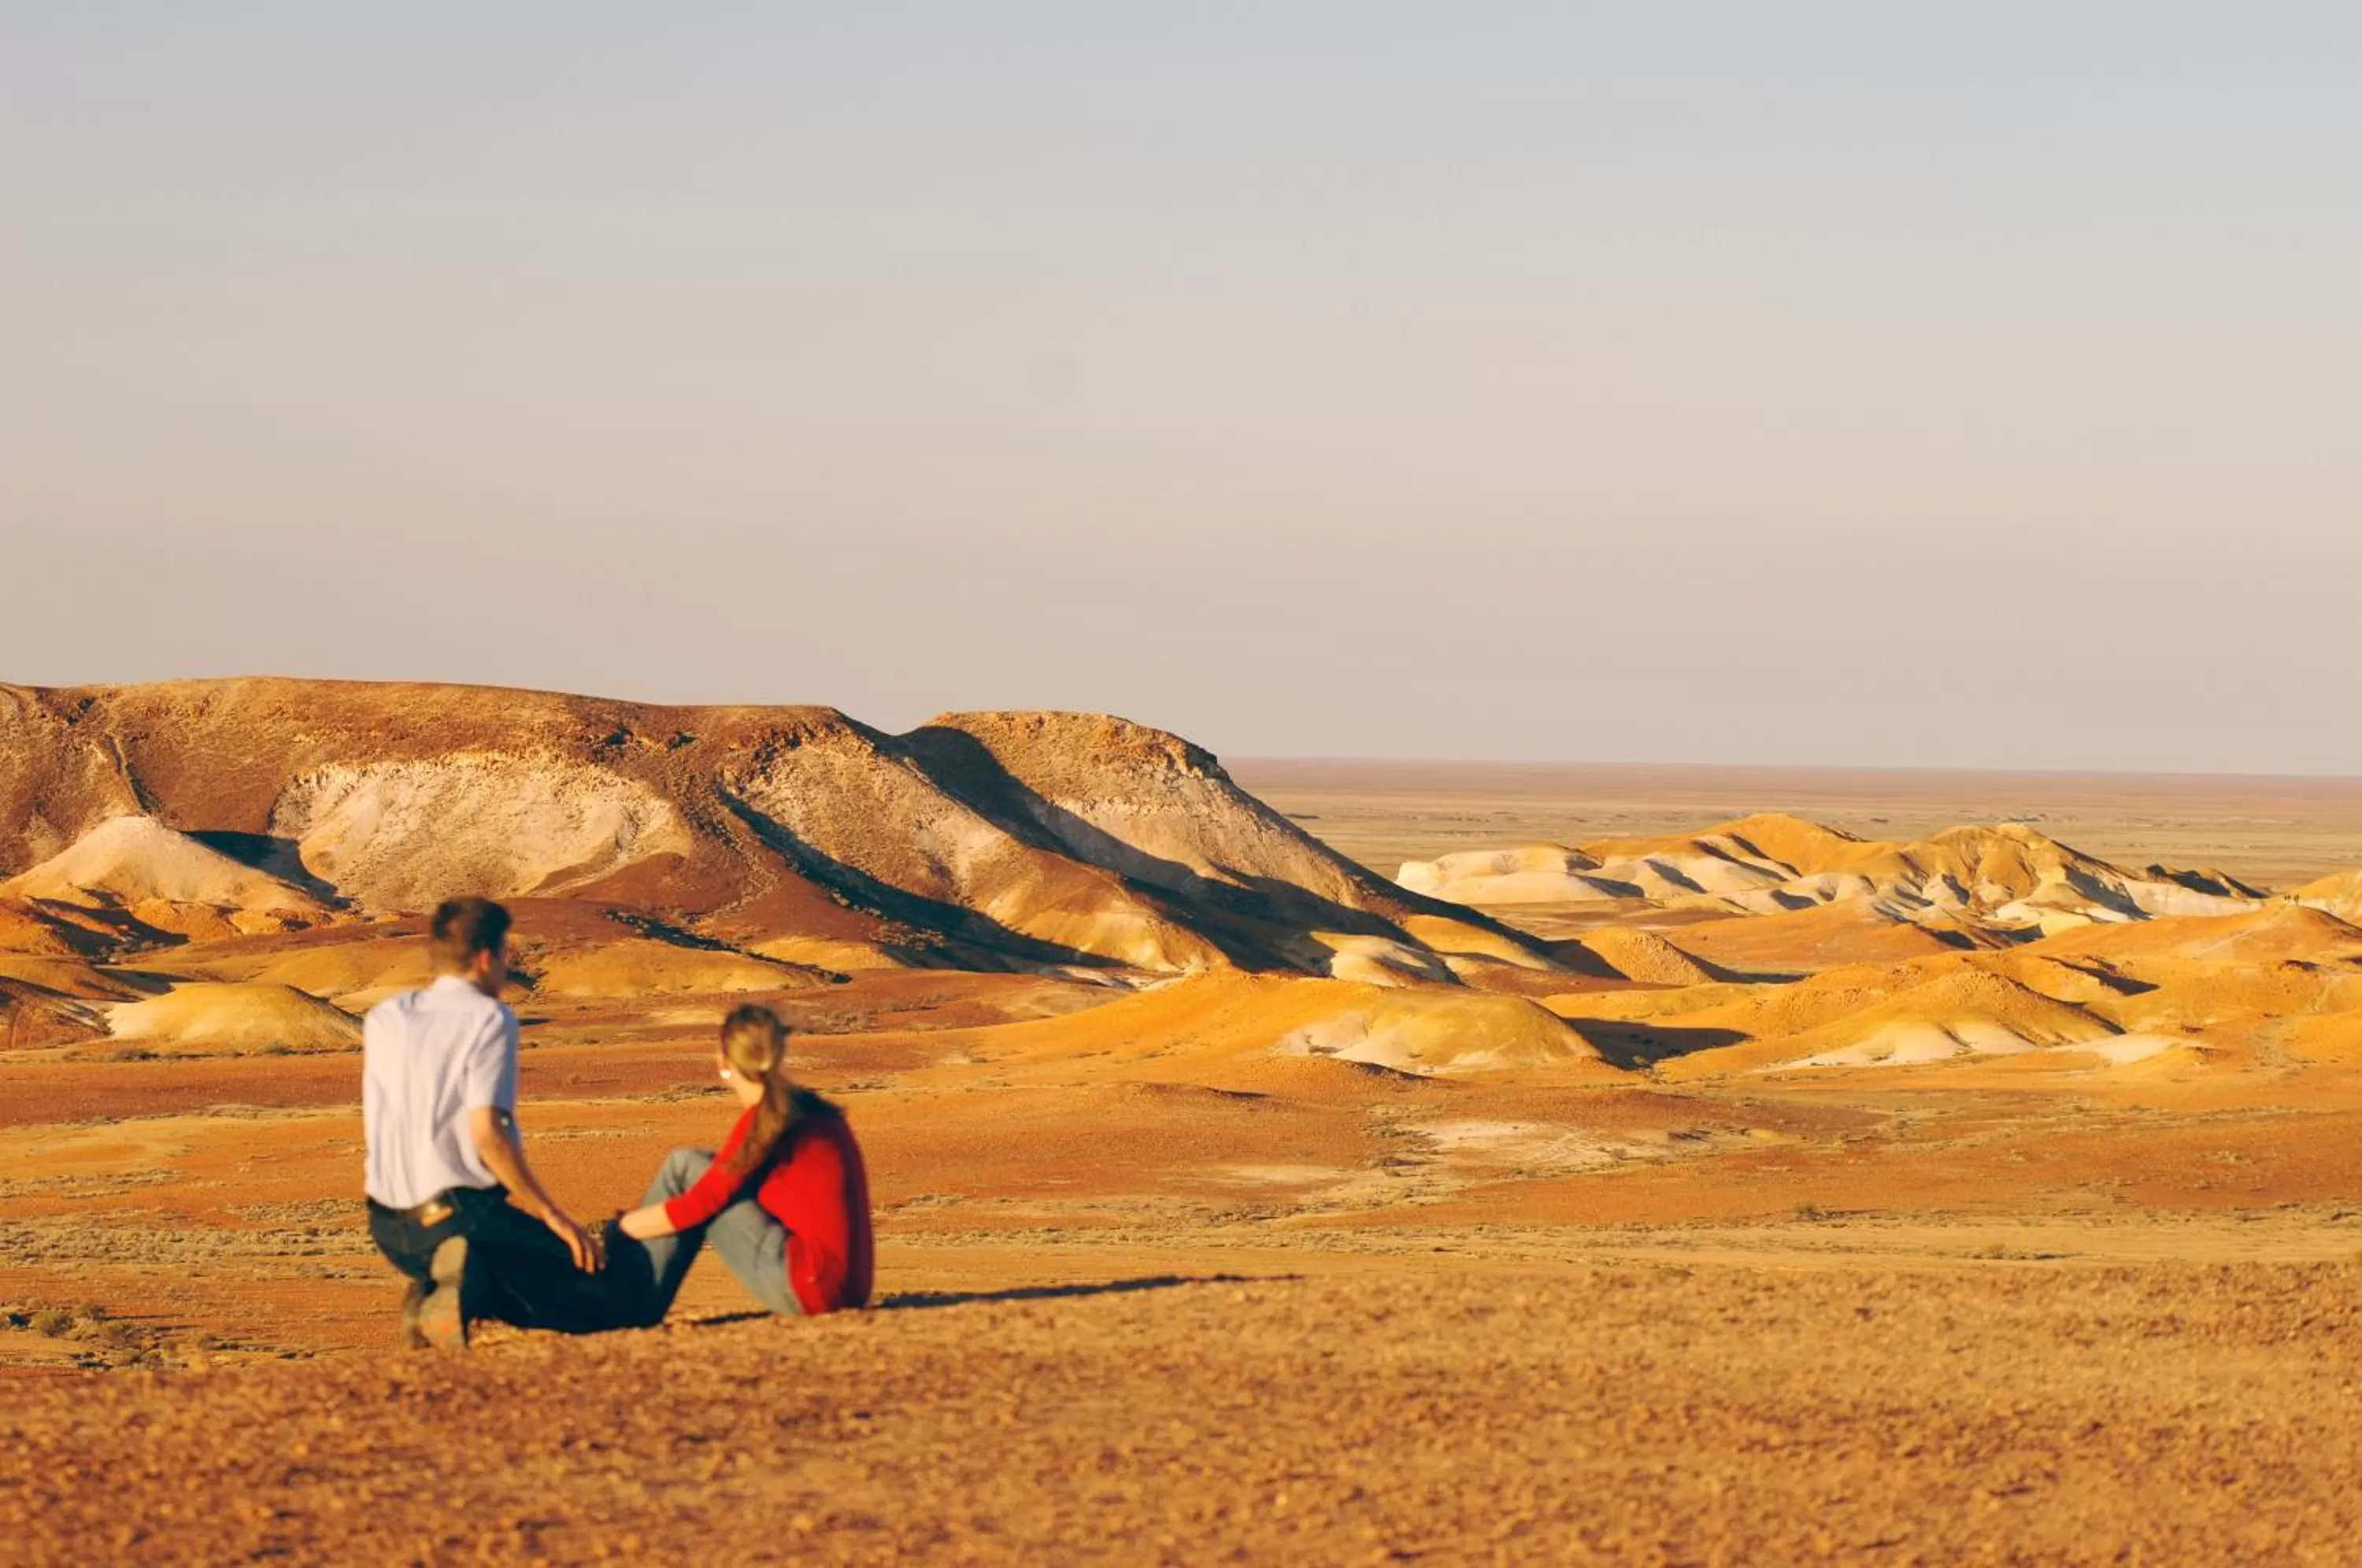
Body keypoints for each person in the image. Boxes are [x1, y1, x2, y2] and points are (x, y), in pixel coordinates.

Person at [361, 897, 631, 1348]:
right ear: (487, 958)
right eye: (506, 954)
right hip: (459, 1219)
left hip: (388, 1227)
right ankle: (460, 1289)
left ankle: (440, 1289)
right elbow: (487, 1133)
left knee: (508, 1269)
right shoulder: (488, 1019)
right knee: (610, 1300)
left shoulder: (385, 1017)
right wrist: (554, 1217)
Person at [609, 1004, 874, 1320]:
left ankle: (624, 1301)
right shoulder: (810, 1111)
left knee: (687, 1167)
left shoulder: (768, 1120)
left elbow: (700, 1204)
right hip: (844, 1286)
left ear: (723, 1063)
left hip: (811, 1288)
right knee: (692, 1167)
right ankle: (627, 1293)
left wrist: (619, 1230)